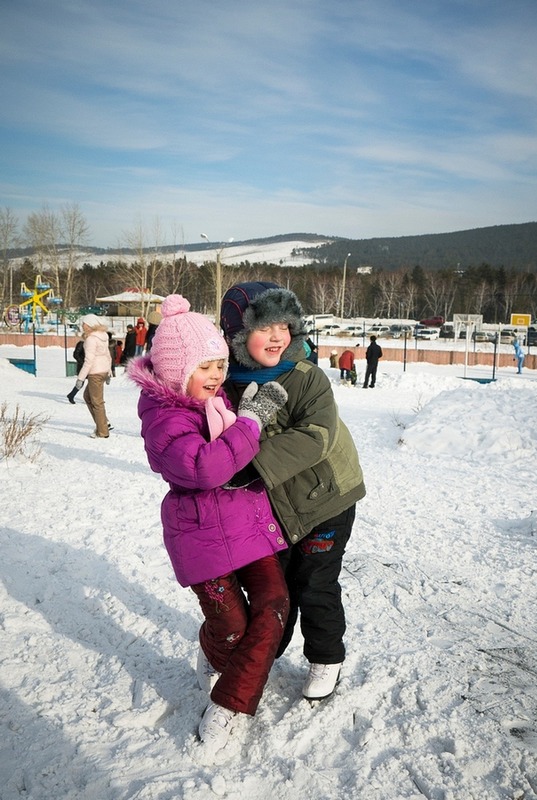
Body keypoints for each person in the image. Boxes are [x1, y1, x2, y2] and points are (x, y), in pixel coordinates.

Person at [127, 294, 290, 753]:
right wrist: (251, 424)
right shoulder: (164, 420)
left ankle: (229, 705)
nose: (218, 375)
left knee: (275, 604)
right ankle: (214, 646)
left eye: (220, 364)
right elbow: (205, 468)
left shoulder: (218, 404)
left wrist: (248, 417)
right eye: (206, 366)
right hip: (201, 536)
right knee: (232, 628)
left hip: (246, 524)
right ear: (178, 371)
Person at [220, 282, 365, 703]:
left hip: (326, 500)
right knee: (276, 587)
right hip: (274, 507)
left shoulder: (306, 376)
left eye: (285, 325)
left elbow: (316, 435)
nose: (278, 336)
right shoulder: (226, 382)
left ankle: (326, 657)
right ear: (237, 334)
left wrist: (248, 464)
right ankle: (265, 653)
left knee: (314, 583)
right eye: (265, 327)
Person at [74, 314, 112, 438]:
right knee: (88, 396)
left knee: (97, 402)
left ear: (90, 325)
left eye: (84, 324)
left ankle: (102, 431)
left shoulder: (91, 339)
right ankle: (103, 423)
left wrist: (80, 378)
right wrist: (108, 372)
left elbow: (88, 360)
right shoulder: (103, 336)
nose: (82, 326)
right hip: (102, 371)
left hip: (95, 373)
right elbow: (108, 355)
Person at [66, 338, 86, 404]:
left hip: (89, 366)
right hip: (82, 367)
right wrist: (82, 362)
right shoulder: (81, 343)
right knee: (80, 383)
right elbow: (76, 354)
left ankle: (72, 395)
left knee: (92, 382)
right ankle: (71, 395)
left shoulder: (91, 344)